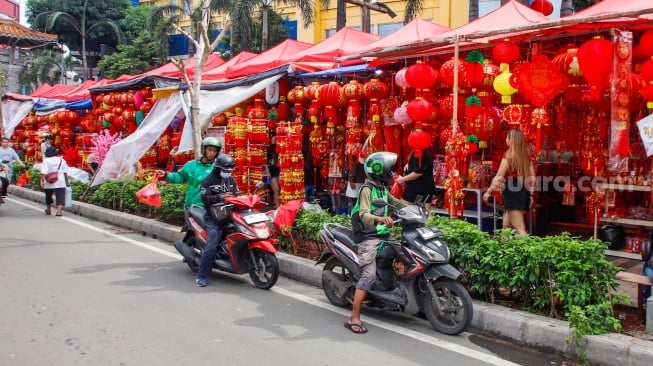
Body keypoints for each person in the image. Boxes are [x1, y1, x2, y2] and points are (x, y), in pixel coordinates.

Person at [346, 151, 417, 334]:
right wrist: (380, 220)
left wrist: (417, 212)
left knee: (409, 258)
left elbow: (399, 204)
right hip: (368, 238)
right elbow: (363, 214)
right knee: (368, 275)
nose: (391, 173)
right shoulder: (367, 190)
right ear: (378, 171)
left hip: (384, 236)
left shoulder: (382, 189)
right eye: (388, 170)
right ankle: (354, 317)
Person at [196, 154, 240, 287]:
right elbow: (205, 199)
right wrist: (221, 197)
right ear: (218, 168)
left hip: (230, 216)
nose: (228, 173)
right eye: (225, 171)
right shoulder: (209, 181)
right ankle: (202, 276)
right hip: (214, 218)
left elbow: (237, 195)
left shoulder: (231, 180)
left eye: (229, 171)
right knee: (212, 245)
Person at [482, 128, 535, 236]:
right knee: (506, 227)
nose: (506, 139)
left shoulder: (509, 155)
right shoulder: (525, 156)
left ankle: (528, 252)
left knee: (520, 230)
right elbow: (532, 178)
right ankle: (503, 248)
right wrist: (530, 194)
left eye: (507, 137)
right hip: (523, 191)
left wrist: (489, 191)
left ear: (512, 140)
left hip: (512, 193)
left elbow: (499, 176)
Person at [154, 137, 221, 208]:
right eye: (210, 150)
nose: (212, 153)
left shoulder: (217, 168)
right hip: (192, 206)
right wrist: (166, 174)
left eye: (215, 151)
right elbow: (179, 177)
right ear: (203, 149)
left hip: (210, 208)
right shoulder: (191, 165)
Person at [40, 147, 70, 216]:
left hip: (49, 181)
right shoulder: (62, 160)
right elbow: (65, 172)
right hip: (60, 180)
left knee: (48, 195)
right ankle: (59, 211)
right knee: (61, 196)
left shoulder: (46, 161)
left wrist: (41, 180)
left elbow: (44, 172)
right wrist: (67, 182)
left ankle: (49, 209)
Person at [267, 133, 280, 209]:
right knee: (275, 190)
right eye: (274, 139)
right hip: (271, 171)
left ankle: (275, 205)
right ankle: (277, 207)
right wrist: (267, 172)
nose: (275, 140)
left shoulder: (279, 149)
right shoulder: (269, 149)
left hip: (279, 171)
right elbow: (266, 162)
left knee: (276, 190)